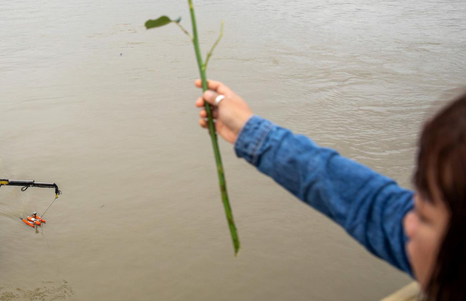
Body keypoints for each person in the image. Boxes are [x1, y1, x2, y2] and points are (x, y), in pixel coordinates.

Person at [195, 79, 465, 301]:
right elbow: (364, 200)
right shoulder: (440, 244)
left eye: (425, 217)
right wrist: (249, 131)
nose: (404, 223)